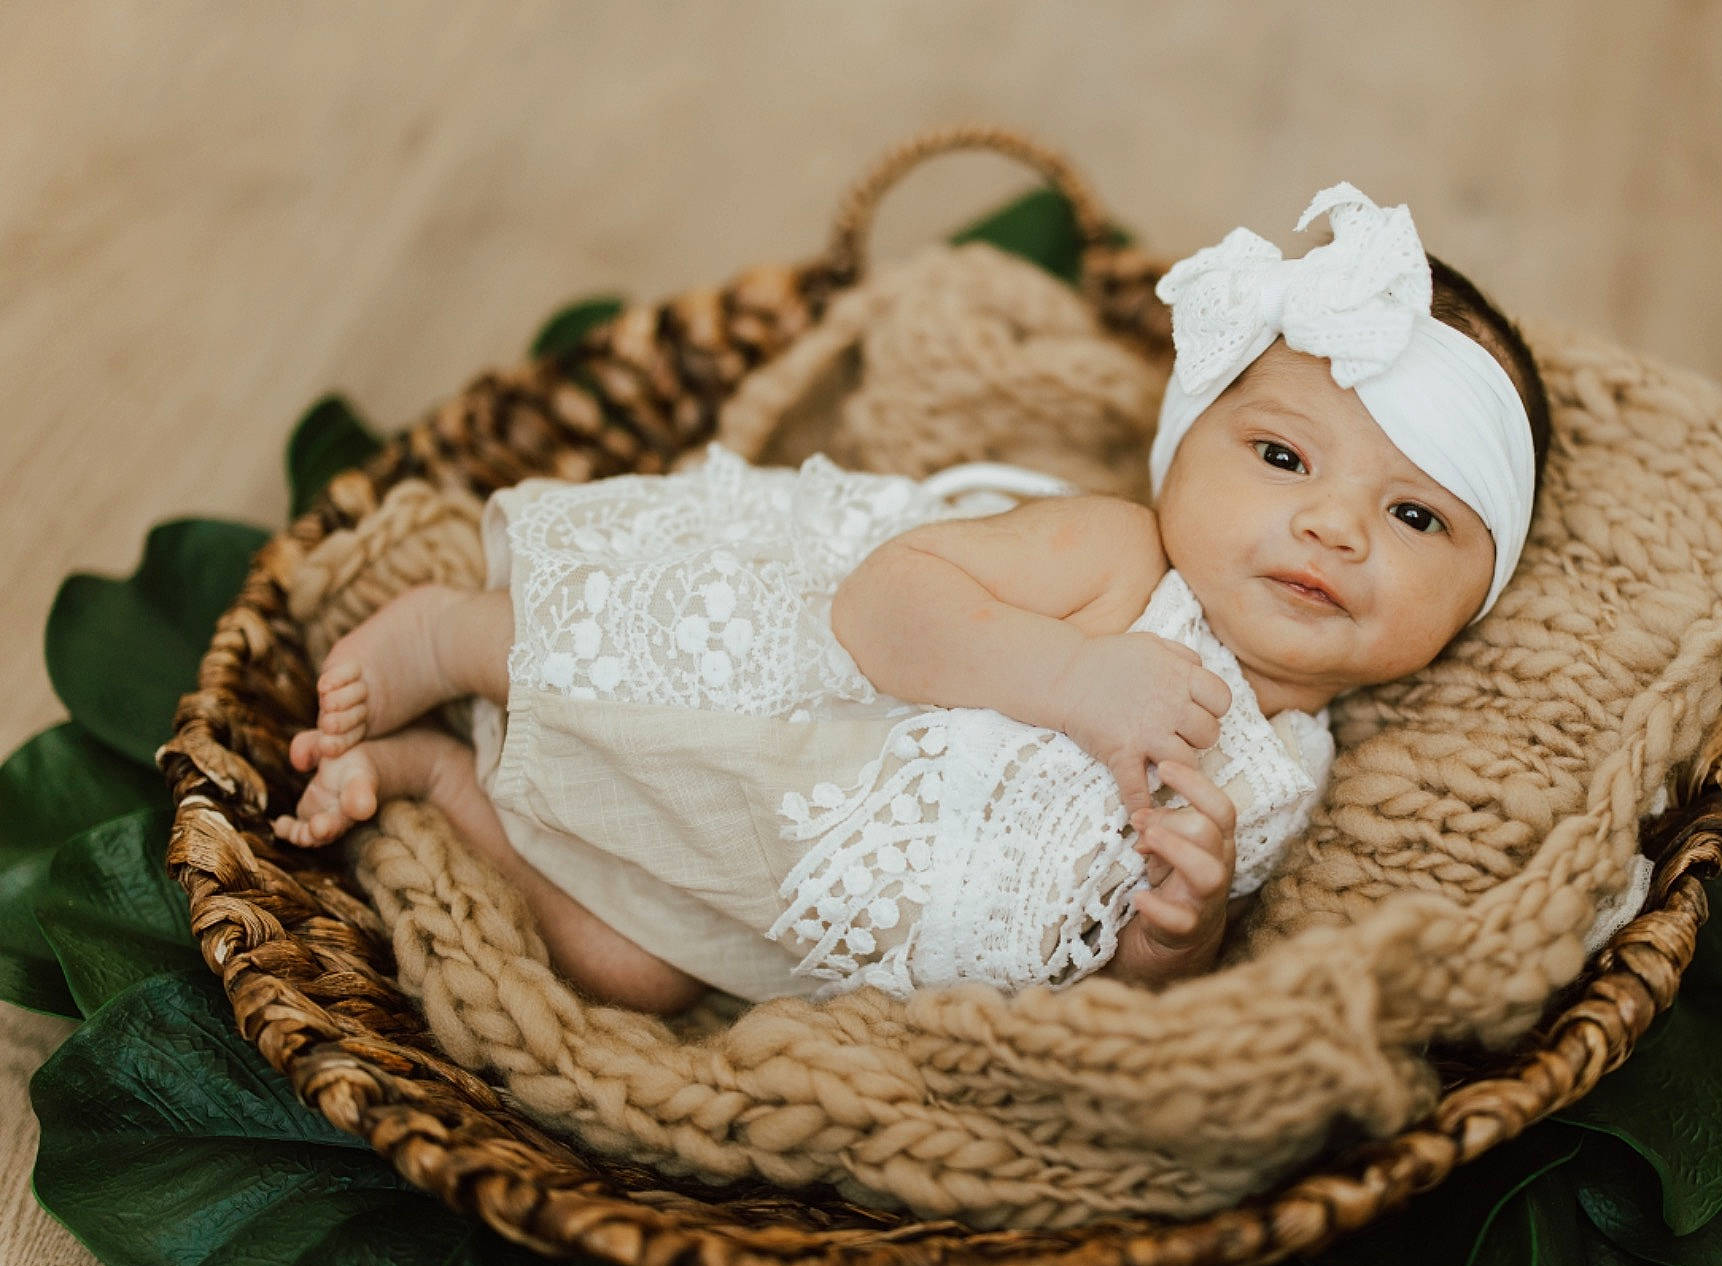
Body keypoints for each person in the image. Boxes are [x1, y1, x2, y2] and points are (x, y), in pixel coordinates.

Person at [272, 183, 1551, 1014]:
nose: (1331, 524)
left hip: (795, 906)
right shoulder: (1122, 560)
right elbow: (882, 609)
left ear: (1471, 603)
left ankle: (440, 783)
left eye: (1414, 516)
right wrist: (1071, 677)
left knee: (623, 972)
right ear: (1184, 457)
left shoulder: (1290, 775)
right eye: (1280, 459)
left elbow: (1124, 978)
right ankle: (458, 639)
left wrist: (1182, 927)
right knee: (628, 656)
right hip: (783, 703)